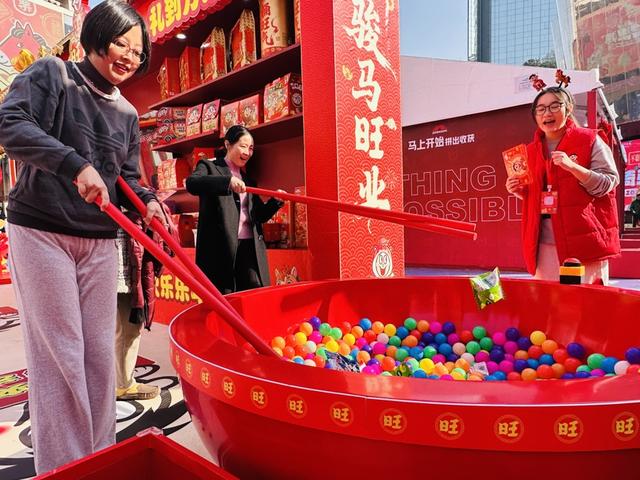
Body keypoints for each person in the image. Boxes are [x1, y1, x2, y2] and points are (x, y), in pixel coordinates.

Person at [0, 0, 165, 473]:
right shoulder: (54, 75)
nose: (130, 57)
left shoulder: (127, 112)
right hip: (41, 230)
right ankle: (65, 469)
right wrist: (75, 165)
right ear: (97, 36)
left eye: (138, 51)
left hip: (98, 239)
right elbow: (10, 124)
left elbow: (126, 178)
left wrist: (147, 200)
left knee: (96, 356)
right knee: (62, 355)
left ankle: (99, 458)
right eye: (121, 43)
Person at [506, 86, 620, 285]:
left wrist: (573, 167)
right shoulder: (528, 152)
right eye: (541, 109)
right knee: (550, 300)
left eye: (554, 106)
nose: (547, 113)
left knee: (585, 300)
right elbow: (535, 196)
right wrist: (518, 190)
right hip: (543, 245)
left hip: (584, 242)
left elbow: (609, 182)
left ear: (568, 108)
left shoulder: (590, 139)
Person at [186, 125, 284, 293]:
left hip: (249, 247)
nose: (247, 152)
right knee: (225, 295)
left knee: (254, 291)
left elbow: (258, 216)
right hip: (221, 249)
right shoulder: (209, 167)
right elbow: (192, 184)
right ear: (228, 145)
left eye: (251, 148)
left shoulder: (248, 180)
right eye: (243, 146)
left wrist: (276, 202)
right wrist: (227, 181)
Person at [115, 206, 175, 401]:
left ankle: (119, 382)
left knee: (123, 328)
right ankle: (123, 385)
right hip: (118, 264)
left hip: (118, 263)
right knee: (127, 329)